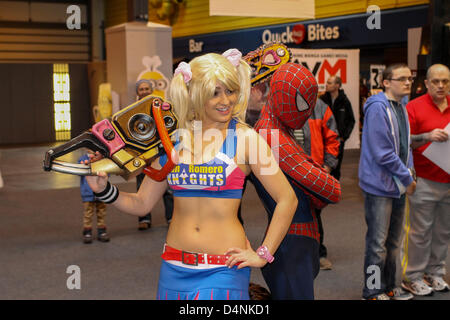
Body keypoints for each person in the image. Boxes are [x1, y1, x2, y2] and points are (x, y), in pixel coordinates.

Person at [85, 49, 297, 300]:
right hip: (173, 265)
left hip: (224, 268)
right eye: (214, 93)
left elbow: (287, 199)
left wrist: (263, 254)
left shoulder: (246, 139)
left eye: (230, 90)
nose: (226, 100)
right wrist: (104, 191)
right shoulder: (172, 141)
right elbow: (142, 203)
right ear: (195, 94)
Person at [251, 63, 342, 299]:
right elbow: (332, 190)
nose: (305, 111)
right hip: (291, 241)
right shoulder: (271, 135)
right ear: (280, 95)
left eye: (310, 105)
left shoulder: (278, 131)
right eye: (302, 103)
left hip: (294, 239)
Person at [359, 63, 417, 300]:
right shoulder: (377, 108)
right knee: (377, 244)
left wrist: (409, 174)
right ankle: (372, 290)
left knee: (394, 242)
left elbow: (406, 144)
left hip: (398, 185)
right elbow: (383, 152)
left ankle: (390, 286)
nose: (408, 82)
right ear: (385, 82)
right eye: (401, 78)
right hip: (379, 188)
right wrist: (407, 178)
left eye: (410, 78)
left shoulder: (401, 106)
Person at [401, 64, 450, 296]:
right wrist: (427, 136)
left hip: (448, 180)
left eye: (446, 81)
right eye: (436, 81)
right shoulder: (413, 107)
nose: (441, 86)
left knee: (443, 231)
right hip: (424, 180)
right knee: (419, 232)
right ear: (427, 83)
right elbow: (403, 141)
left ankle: (435, 272)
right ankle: (412, 277)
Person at [293, 98, 340, 270]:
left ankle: (319, 254)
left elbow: (332, 138)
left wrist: (327, 166)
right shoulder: (280, 105)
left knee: (315, 216)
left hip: (315, 172)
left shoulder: (320, 107)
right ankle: (295, 255)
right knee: (287, 215)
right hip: (287, 174)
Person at [134, 79, 174, 230]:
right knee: (141, 185)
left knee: (167, 186)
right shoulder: (132, 110)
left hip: (160, 151)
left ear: (151, 90)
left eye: (146, 89)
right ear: (137, 92)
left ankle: (171, 218)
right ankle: (144, 219)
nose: (144, 91)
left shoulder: (160, 107)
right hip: (142, 153)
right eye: (141, 89)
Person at [320, 76, 355, 180]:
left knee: (336, 169)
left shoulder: (344, 101)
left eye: (330, 83)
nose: (326, 85)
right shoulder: (322, 100)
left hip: (338, 141)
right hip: (323, 140)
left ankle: (334, 193)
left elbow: (351, 120)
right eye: (327, 82)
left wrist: (344, 137)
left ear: (337, 85)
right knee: (322, 168)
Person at [78, 153, 109, 244]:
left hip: (101, 191)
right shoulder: (82, 159)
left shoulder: (103, 158)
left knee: (102, 212)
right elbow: (79, 172)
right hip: (87, 192)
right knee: (88, 213)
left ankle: (102, 231)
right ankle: (87, 232)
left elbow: (108, 174)